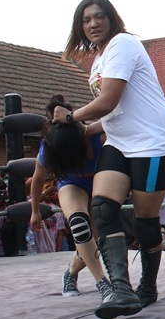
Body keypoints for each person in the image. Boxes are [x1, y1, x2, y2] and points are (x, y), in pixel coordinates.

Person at [54, 0, 165, 319]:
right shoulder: (99, 60)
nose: (93, 23)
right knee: (102, 208)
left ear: (111, 18)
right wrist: (87, 129)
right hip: (119, 142)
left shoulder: (122, 44)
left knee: (145, 223)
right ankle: (121, 290)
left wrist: (70, 117)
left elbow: (109, 101)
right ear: (80, 26)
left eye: (99, 16)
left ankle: (148, 287)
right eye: (86, 19)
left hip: (152, 145)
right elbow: (118, 111)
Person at [30, 95, 113, 301]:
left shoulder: (99, 137)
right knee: (79, 225)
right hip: (72, 184)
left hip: (100, 181)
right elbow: (37, 179)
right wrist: (35, 210)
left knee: (96, 240)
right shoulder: (49, 147)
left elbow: (127, 122)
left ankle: (71, 272)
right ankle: (103, 284)